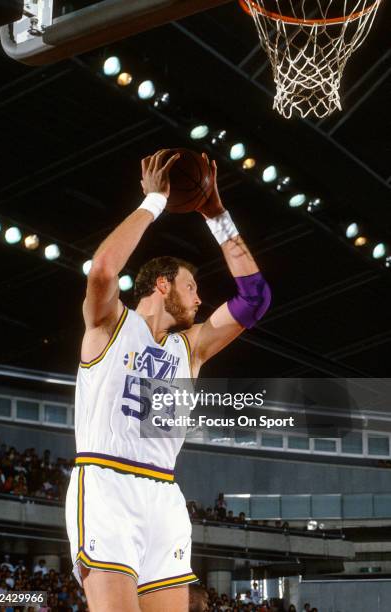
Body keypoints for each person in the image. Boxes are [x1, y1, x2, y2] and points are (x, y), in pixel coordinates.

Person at [65, 149, 271, 612]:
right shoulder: (108, 326)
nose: (199, 300)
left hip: (163, 495)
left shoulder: (190, 347)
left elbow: (255, 298)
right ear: (161, 285)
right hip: (106, 484)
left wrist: (217, 214)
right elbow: (102, 271)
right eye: (192, 287)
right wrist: (154, 202)